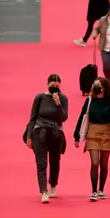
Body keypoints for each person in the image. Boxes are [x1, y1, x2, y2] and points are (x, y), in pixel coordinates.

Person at [73, 77, 110, 201]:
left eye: (98, 85)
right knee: (94, 163)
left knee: (104, 164)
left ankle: (101, 189)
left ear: (104, 88)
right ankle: (93, 191)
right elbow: (82, 117)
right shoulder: (89, 101)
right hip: (92, 132)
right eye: (94, 85)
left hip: (107, 133)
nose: (96, 87)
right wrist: (76, 135)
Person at [26, 74, 69, 203]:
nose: (54, 89)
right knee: (41, 162)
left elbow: (63, 118)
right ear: (47, 84)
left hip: (56, 133)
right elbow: (32, 117)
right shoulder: (39, 98)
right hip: (40, 132)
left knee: (55, 161)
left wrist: (58, 104)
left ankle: (53, 185)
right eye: (52, 86)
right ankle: (43, 191)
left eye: (57, 86)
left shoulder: (63, 98)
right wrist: (29, 137)